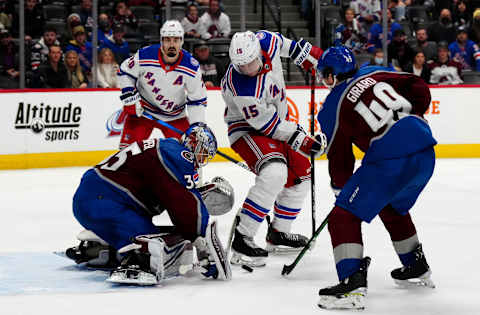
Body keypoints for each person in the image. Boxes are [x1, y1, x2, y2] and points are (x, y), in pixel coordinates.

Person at [314, 46, 436, 310]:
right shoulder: (376, 71)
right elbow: (417, 85)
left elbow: (340, 159)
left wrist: (343, 193)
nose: (324, 82)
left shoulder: (330, 108)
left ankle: (352, 283)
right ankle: (415, 264)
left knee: (342, 216)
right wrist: (415, 115)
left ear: (332, 76)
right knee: (390, 204)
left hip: (391, 158)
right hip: (425, 148)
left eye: (325, 76)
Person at [65, 124, 233, 284]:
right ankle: (135, 262)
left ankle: (99, 249)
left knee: (155, 234)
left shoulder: (167, 148)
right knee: (151, 246)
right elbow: (184, 202)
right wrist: (199, 235)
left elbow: (173, 196)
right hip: (103, 200)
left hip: (98, 198)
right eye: (203, 152)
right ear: (193, 144)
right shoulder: (179, 155)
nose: (203, 159)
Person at [221, 30, 326, 267]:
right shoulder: (241, 86)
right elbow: (269, 126)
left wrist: (314, 58)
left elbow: (292, 47)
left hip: (280, 123)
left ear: (258, 51)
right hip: (248, 130)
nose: (247, 69)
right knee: (275, 173)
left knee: (302, 175)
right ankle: (243, 236)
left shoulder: (266, 40)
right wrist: (301, 139)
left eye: (250, 62)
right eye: (241, 66)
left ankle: (279, 232)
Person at [116, 20, 207, 149]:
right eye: (167, 40)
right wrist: (130, 95)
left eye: (176, 40)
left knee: (189, 158)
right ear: (161, 41)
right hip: (143, 112)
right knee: (126, 155)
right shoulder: (145, 55)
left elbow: (197, 100)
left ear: (181, 42)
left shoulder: (191, 66)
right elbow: (125, 71)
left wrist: (197, 126)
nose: (171, 44)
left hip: (175, 117)